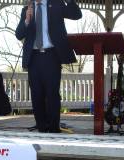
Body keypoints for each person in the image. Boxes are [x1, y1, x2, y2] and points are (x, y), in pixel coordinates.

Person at [15, 0, 82, 133]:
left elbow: (76, 14)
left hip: (51, 56)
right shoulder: (27, 9)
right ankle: (41, 127)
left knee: (52, 93)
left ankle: (53, 128)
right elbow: (19, 34)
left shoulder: (56, 4)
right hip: (33, 58)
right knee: (36, 94)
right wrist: (27, 21)